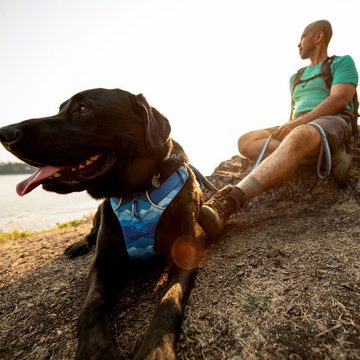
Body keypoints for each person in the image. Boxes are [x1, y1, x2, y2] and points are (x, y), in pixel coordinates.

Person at [198, 19, 359, 239]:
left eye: (303, 36)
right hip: (301, 125)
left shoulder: (341, 63)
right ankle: (316, 156)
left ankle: (231, 200)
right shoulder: (296, 77)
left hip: (333, 119)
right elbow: (293, 113)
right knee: (246, 140)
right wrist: (293, 126)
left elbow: (339, 99)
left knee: (299, 135)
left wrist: (297, 126)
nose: (298, 43)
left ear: (319, 36)